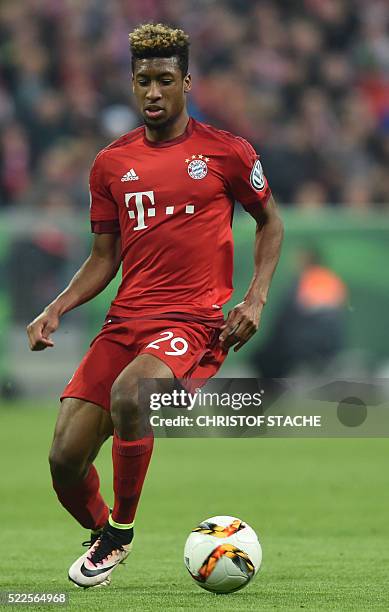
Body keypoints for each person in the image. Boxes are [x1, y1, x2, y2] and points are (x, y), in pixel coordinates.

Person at [26, 23, 284, 589]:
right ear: (132, 82)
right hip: (125, 321)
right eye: (143, 80)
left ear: (187, 82)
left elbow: (270, 222)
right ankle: (103, 537)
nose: (153, 92)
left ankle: (121, 529)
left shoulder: (226, 152)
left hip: (191, 322)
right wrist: (58, 308)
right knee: (64, 461)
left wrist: (255, 297)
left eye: (165, 80)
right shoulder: (110, 164)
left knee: (131, 392)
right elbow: (103, 257)